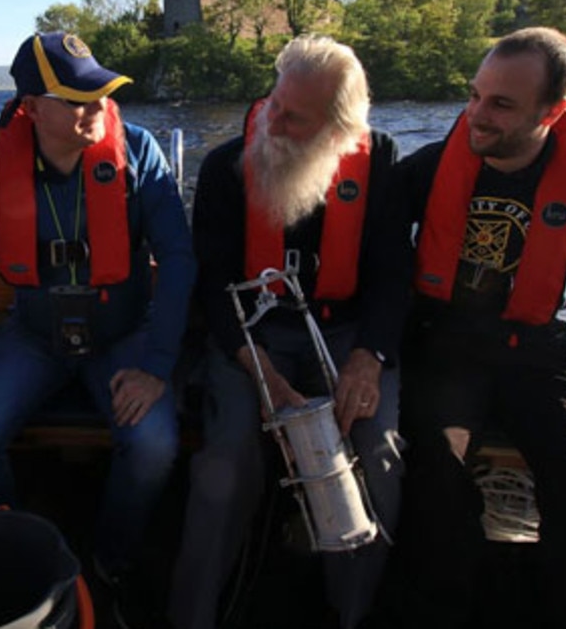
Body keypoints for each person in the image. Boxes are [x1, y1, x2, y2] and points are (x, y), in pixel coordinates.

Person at [396, 26, 566, 629]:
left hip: (542, 352)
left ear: (555, 110)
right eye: (475, 95)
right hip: (446, 346)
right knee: (434, 465)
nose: (477, 116)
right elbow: (377, 252)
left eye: (501, 104)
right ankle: (439, 608)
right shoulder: (434, 166)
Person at [0, 31, 195, 627]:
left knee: (155, 445)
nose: (95, 109)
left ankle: (111, 560)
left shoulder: (139, 151)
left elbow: (178, 260)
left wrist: (157, 367)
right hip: (32, 338)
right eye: (76, 99)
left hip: (122, 334)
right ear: (31, 108)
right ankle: (20, 557)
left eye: (99, 94)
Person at [169, 35, 410, 629]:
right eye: (274, 102)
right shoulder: (229, 167)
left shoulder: (378, 159)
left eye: (294, 116)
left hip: (347, 333)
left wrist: (368, 357)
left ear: (337, 129)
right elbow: (214, 285)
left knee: (376, 454)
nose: (272, 121)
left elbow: (392, 275)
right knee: (227, 462)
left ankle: (350, 612)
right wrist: (263, 373)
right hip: (251, 334)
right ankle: (192, 615)